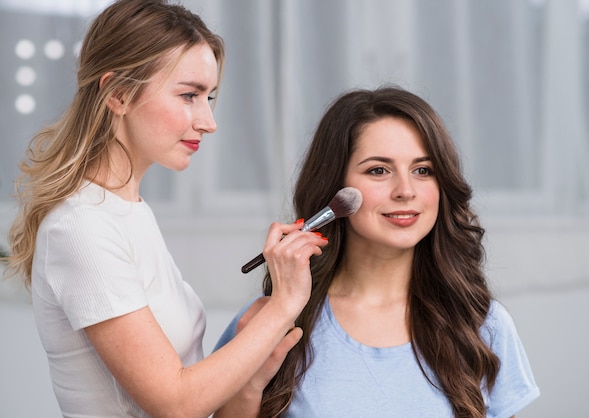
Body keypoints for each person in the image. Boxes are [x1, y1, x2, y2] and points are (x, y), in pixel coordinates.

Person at [2, 1, 328, 417]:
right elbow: (175, 404)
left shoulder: (128, 211)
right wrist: (284, 304)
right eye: (189, 95)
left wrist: (250, 359)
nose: (208, 121)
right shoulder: (81, 228)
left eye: (208, 97)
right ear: (118, 93)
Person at [213, 86, 540, 418]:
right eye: (378, 170)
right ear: (334, 186)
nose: (406, 191)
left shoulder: (482, 325)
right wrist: (251, 381)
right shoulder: (268, 321)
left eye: (423, 170)